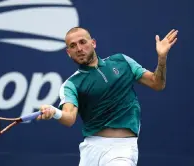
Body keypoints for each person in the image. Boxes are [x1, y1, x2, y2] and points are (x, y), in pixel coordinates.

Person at [36, 27, 178, 166]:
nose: (79, 48)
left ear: (93, 43)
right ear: (68, 52)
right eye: (73, 46)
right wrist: (54, 112)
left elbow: (157, 83)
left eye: (82, 42)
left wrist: (162, 58)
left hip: (122, 150)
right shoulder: (71, 84)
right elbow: (69, 117)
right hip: (90, 150)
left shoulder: (122, 61)